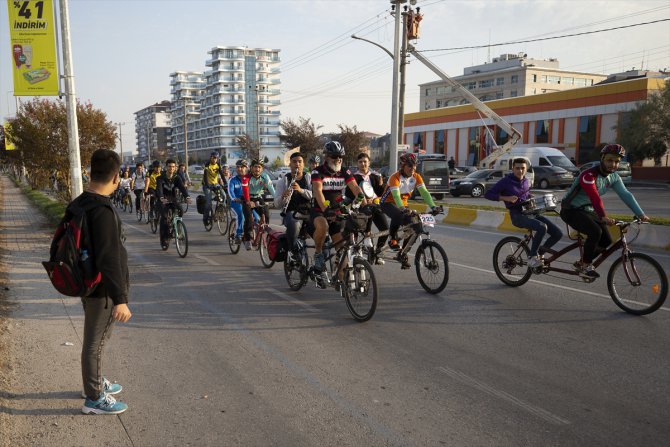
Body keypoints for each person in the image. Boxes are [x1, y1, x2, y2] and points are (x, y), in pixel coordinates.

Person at [76, 149, 131, 415]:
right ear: (116, 177)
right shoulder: (103, 210)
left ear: (90, 172)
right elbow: (109, 259)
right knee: (94, 343)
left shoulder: (81, 202)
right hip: (102, 289)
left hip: (87, 282)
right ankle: (94, 398)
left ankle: (94, 382)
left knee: (97, 340)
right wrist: (120, 299)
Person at [560, 144, 649, 278]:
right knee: (595, 232)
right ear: (602, 159)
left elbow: (625, 194)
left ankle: (582, 262)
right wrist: (603, 216)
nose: (613, 164)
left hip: (588, 211)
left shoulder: (614, 177)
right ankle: (586, 266)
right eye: (609, 160)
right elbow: (594, 197)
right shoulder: (588, 175)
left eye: (617, 161)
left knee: (606, 240)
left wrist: (640, 214)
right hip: (570, 210)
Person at [484, 157, 563, 268]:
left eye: (523, 168)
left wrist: (530, 196)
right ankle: (532, 258)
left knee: (558, 234)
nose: (520, 171)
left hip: (530, 213)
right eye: (517, 168)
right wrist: (506, 198)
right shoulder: (505, 181)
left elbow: (525, 194)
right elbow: (488, 194)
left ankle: (539, 253)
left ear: (526, 169)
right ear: (512, 168)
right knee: (542, 227)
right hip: (517, 216)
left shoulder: (525, 180)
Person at [310, 141, 365, 288]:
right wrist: (325, 209)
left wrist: (366, 204)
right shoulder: (318, 172)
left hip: (338, 211)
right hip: (319, 210)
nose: (338, 159)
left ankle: (340, 278)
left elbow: (356, 189)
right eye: (335, 156)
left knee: (343, 247)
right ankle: (318, 255)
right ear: (327, 157)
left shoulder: (344, 172)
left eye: (340, 156)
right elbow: (318, 191)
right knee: (323, 226)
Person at [380, 153, 441, 267]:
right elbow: (396, 196)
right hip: (387, 203)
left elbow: (425, 193)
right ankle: (392, 239)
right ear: (402, 166)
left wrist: (433, 207)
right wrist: (402, 208)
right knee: (398, 214)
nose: (412, 169)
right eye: (409, 166)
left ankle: (403, 253)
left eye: (414, 166)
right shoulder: (395, 177)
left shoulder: (416, 177)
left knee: (415, 225)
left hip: (402, 205)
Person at [345, 152, 389, 264]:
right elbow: (349, 195)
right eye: (360, 162)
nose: (363, 164)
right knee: (366, 232)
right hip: (362, 208)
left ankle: (378, 252)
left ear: (369, 162)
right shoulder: (354, 178)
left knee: (385, 230)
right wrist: (362, 200)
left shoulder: (375, 176)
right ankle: (365, 252)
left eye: (365, 161)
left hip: (375, 206)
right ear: (357, 164)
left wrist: (381, 185)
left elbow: (380, 193)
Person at [274, 152, 312, 254]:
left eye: (300, 162)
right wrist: (283, 196)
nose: (297, 164)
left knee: (322, 231)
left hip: (308, 212)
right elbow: (277, 204)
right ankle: (292, 251)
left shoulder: (309, 178)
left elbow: (316, 196)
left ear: (304, 164)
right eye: (294, 162)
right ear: (289, 164)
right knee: (294, 224)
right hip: (291, 212)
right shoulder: (283, 181)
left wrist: (301, 190)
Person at [156, 159, 191, 249]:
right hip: (163, 199)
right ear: (166, 167)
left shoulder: (177, 177)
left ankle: (178, 226)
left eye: (173, 166)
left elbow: (182, 188)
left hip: (173, 198)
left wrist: (187, 197)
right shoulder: (160, 178)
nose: (171, 168)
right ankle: (164, 238)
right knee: (164, 218)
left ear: (175, 168)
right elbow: (159, 190)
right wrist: (161, 198)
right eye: (169, 166)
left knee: (181, 211)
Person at [244, 159, 276, 250]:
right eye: (255, 167)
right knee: (249, 219)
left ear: (262, 169)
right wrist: (248, 201)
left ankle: (264, 231)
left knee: (266, 214)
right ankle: (247, 239)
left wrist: (277, 199)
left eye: (259, 167)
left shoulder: (265, 177)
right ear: (251, 168)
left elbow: (272, 189)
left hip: (258, 197)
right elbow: (245, 191)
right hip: (247, 199)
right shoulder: (246, 177)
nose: (257, 169)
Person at [227, 159, 251, 244]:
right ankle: (239, 234)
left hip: (247, 202)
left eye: (241, 167)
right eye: (237, 167)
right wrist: (234, 198)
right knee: (241, 214)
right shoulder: (233, 180)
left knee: (256, 217)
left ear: (246, 168)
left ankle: (250, 233)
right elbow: (230, 191)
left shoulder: (250, 179)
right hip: (236, 203)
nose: (239, 169)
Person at [202, 151, 224, 227]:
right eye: (213, 157)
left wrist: (225, 183)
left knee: (223, 196)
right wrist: (207, 185)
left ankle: (219, 212)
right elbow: (205, 176)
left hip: (215, 184)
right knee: (208, 203)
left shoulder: (218, 165)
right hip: (206, 185)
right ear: (210, 158)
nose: (214, 159)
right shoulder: (207, 164)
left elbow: (221, 174)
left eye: (216, 158)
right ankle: (205, 219)